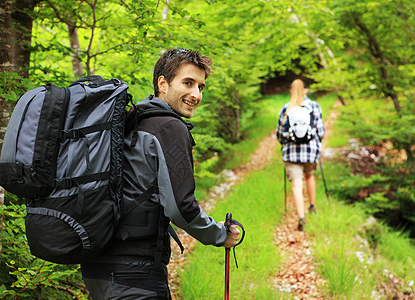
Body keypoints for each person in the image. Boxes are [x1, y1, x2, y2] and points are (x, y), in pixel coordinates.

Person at [80, 48, 241, 299]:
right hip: (135, 274)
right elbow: (181, 207)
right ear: (163, 83)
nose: (196, 94)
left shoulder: (133, 120)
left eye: (201, 87)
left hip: (97, 268)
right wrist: (220, 235)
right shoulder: (169, 127)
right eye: (188, 83)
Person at [276, 79, 325, 231]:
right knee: (309, 176)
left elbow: (280, 135)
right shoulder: (314, 106)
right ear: (304, 90)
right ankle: (312, 206)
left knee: (297, 184)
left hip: (291, 153)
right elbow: (320, 131)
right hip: (310, 152)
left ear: (291, 90)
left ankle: (301, 217)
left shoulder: (286, 108)